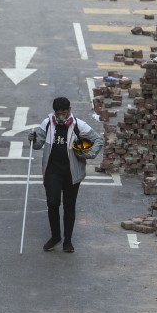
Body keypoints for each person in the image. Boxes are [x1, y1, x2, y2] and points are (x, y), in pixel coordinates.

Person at [27, 97, 104, 253]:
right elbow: (38, 145)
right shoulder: (47, 123)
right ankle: (55, 236)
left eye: (64, 112)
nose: (61, 116)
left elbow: (98, 140)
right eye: (58, 113)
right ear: (54, 112)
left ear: (70, 110)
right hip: (52, 171)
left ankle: (67, 241)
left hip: (71, 173)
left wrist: (87, 154)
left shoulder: (79, 126)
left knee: (69, 206)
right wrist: (33, 140)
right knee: (53, 202)